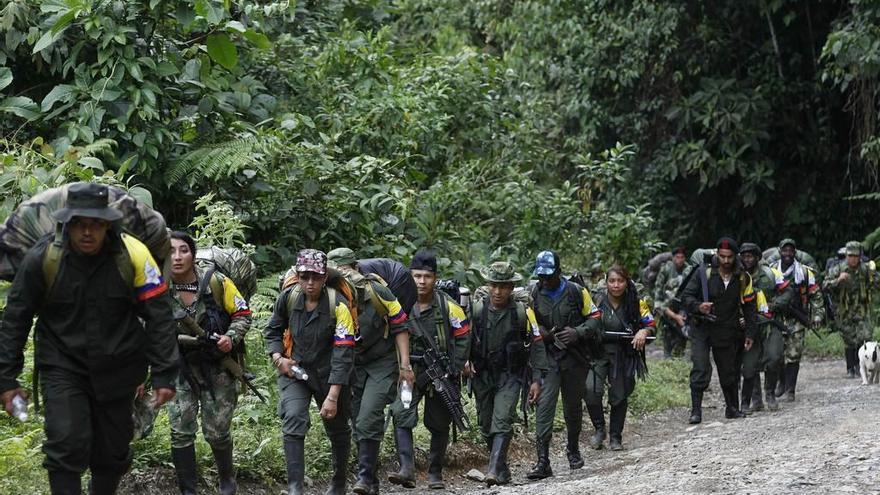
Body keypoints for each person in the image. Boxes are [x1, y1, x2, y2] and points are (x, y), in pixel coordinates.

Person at [0, 182, 179, 495]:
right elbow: (16, 317)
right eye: (80, 224)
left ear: (107, 224)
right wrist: (6, 379)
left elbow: (159, 315)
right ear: (68, 224)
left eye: (95, 225)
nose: (87, 233)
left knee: (112, 452)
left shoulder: (133, 255)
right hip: (62, 365)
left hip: (120, 366)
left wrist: (165, 373)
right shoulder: (44, 257)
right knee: (65, 442)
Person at [166, 232, 253, 495]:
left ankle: (227, 480)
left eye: (184, 250)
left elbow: (242, 314)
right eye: (171, 251)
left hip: (218, 366)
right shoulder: (157, 286)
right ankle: (187, 490)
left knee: (217, 431)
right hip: (179, 367)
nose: (177, 257)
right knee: (180, 431)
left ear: (193, 254)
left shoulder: (217, 282)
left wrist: (230, 337)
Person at [264, 249, 356, 495]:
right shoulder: (289, 298)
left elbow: (344, 352)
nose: (310, 282)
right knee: (293, 417)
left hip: (331, 374)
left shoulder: (339, 305)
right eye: (305, 277)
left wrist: (333, 395)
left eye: (316, 276)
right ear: (298, 276)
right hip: (297, 371)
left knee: (337, 427)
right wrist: (278, 358)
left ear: (324, 276)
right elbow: (273, 330)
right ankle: (295, 487)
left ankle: (338, 483)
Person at [326, 247, 414, 495]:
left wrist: (405, 366)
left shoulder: (377, 291)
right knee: (356, 421)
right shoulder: (330, 298)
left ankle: (364, 478)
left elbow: (400, 325)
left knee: (368, 415)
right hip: (353, 363)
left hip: (381, 361)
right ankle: (371, 481)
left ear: (356, 269)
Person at [388, 250, 470, 490]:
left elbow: (464, 338)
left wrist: (452, 369)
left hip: (438, 373)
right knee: (401, 414)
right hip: (409, 371)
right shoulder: (399, 302)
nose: (421, 282)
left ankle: (435, 472)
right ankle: (407, 469)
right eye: (416, 276)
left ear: (435, 278)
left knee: (439, 422)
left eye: (427, 276)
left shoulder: (449, 306)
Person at [465, 261, 548, 486]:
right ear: (488, 285)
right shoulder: (477, 309)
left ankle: (492, 470)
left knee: (501, 420)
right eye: (494, 285)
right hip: (482, 373)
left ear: (511, 288)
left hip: (510, 374)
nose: (498, 291)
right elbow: (463, 338)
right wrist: (464, 360)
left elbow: (537, 343)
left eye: (503, 286)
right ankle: (502, 469)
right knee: (485, 423)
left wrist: (537, 379)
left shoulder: (522, 312)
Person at [527, 250, 602, 480]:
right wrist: (542, 333)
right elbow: (529, 322)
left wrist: (578, 332)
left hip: (573, 359)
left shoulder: (576, 291)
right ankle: (543, 461)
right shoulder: (533, 294)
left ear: (559, 272)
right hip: (547, 359)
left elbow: (595, 316)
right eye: (541, 276)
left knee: (572, 407)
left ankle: (573, 450)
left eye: (549, 276)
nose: (545, 281)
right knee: (544, 406)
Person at [681, 237, 758, 423]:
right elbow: (686, 297)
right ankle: (696, 411)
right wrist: (699, 306)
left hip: (726, 328)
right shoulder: (703, 272)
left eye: (729, 257)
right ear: (717, 254)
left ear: (735, 256)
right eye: (722, 256)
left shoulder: (743, 277)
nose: (725, 261)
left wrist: (750, 333)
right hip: (702, 328)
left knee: (728, 370)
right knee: (700, 367)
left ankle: (732, 408)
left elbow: (750, 307)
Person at [586, 265, 654, 451]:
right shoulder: (596, 300)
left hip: (623, 355)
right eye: (612, 281)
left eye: (620, 281)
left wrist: (643, 331)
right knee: (591, 391)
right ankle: (599, 428)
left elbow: (650, 324)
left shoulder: (636, 302)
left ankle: (616, 436)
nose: (616, 285)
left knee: (619, 396)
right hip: (597, 353)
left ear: (627, 282)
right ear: (606, 283)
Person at [738, 243, 790, 413]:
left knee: (774, 358)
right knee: (749, 364)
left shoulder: (771, 273)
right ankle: (756, 399)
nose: (747, 259)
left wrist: (774, 305)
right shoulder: (738, 276)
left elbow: (788, 292)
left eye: (750, 256)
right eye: (744, 256)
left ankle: (770, 394)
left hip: (769, 323)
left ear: (757, 257)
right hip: (748, 327)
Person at [770, 239, 824, 400]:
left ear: (795, 252)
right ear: (780, 252)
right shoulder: (771, 270)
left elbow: (816, 295)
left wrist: (817, 315)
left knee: (793, 354)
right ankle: (781, 383)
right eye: (785, 250)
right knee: (777, 354)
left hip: (797, 319)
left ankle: (790, 390)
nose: (787, 254)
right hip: (776, 318)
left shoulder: (805, 272)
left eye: (790, 251)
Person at [823, 241, 878, 379]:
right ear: (846, 256)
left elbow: (876, 283)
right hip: (844, 310)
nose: (853, 259)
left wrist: (873, 275)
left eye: (856, 256)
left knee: (865, 336)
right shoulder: (838, 269)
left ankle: (863, 366)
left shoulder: (865, 269)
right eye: (850, 255)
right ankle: (850, 368)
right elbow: (824, 286)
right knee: (849, 339)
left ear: (860, 256)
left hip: (862, 309)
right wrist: (838, 280)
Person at [653, 247, 688, 358]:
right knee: (668, 340)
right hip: (667, 309)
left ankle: (678, 360)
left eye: (682, 257)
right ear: (673, 258)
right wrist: (660, 308)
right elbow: (658, 291)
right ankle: (667, 360)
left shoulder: (688, 269)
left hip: (683, 309)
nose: (680, 260)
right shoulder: (666, 269)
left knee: (681, 341)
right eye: (677, 257)